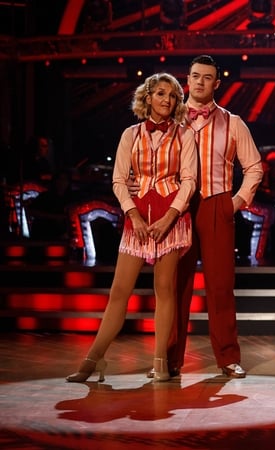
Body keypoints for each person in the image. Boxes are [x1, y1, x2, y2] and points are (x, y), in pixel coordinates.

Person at [66, 72, 197, 382]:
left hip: (171, 219)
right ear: (147, 97)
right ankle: (93, 359)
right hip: (136, 220)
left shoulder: (184, 135)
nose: (168, 100)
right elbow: (118, 180)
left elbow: (189, 181)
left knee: (164, 291)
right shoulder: (130, 134)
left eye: (173, 95)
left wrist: (169, 218)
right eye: (161, 94)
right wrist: (134, 215)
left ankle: (160, 362)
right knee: (119, 292)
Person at [140, 55, 263, 379]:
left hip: (216, 204)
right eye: (195, 76)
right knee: (174, 285)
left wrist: (235, 202)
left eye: (207, 77)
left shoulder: (232, 122)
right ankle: (167, 360)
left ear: (216, 83)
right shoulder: (172, 121)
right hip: (176, 208)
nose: (199, 82)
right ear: (187, 79)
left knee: (221, 286)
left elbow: (254, 167)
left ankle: (227, 357)